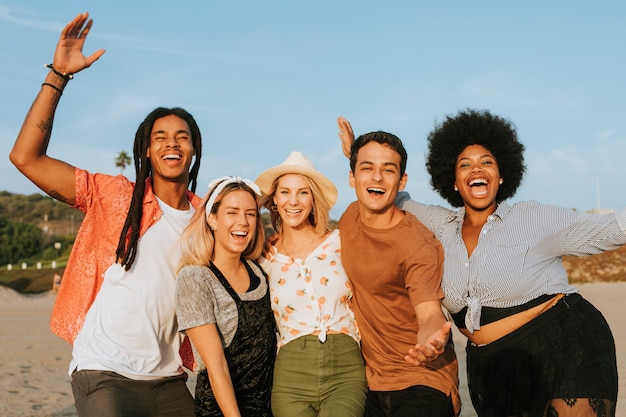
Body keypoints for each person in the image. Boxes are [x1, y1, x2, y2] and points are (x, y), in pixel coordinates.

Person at [339, 111, 626, 417]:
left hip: (564, 342)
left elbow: (612, 229)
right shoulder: (438, 224)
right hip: (491, 366)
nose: (476, 169)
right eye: (465, 164)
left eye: (486, 162)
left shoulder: (533, 217)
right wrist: (356, 155)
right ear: (453, 181)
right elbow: (387, 195)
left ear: (502, 175)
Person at [9, 13, 203, 416]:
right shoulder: (113, 195)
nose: (172, 144)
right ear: (146, 151)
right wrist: (58, 76)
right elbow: (26, 158)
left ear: (194, 150)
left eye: (182, 137)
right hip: (104, 370)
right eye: (160, 137)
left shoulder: (207, 217)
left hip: (168, 378)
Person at [337, 130, 460, 417]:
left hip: (422, 379)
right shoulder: (349, 216)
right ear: (352, 178)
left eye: (388, 171)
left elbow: (429, 313)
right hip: (368, 381)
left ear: (402, 181)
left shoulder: (417, 243)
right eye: (367, 168)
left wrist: (432, 339)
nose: (377, 177)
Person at [255, 151, 368, 417]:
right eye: (284, 192)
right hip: (290, 377)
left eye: (303, 192)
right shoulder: (264, 258)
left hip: (345, 370)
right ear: (274, 200)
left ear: (314, 198)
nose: (293, 201)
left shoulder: (341, 242)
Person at [175, 176, 276, 417]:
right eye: (232, 212)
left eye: (251, 214)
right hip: (223, 411)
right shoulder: (196, 278)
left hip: (267, 408)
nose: (243, 222)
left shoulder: (259, 271)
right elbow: (216, 366)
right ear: (212, 219)